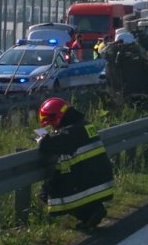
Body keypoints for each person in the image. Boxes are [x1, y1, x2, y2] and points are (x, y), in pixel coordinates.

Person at [36, 97, 114, 228]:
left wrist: (42, 139)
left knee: (46, 191)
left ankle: (88, 214)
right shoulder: (84, 125)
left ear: (56, 117)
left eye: (51, 123)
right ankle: (94, 209)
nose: (52, 127)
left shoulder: (70, 132)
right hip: (102, 180)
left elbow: (47, 146)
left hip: (89, 182)